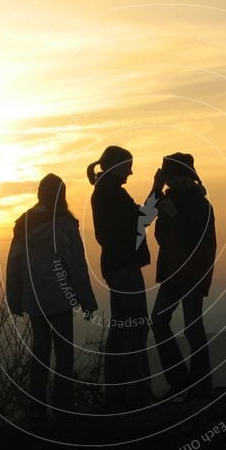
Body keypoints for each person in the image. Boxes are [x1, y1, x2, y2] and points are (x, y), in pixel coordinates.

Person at [6, 173, 97, 421]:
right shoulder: (65, 224)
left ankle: (35, 411)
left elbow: (13, 264)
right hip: (59, 299)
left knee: (40, 353)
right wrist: (87, 302)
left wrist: (14, 298)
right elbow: (76, 265)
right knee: (64, 355)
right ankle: (63, 411)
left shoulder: (23, 224)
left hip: (34, 301)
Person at [87, 146, 158, 410]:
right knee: (137, 326)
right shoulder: (111, 193)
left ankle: (116, 394)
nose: (131, 171)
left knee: (120, 329)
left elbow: (137, 221)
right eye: (127, 165)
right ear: (115, 165)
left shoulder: (106, 191)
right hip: (124, 265)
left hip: (114, 264)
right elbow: (140, 221)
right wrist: (155, 192)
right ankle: (137, 393)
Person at [150, 153, 216, 401]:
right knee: (159, 321)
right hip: (172, 272)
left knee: (191, 327)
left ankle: (200, 387)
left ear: (186, 176)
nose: (168, 182)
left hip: (192, 272)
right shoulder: (168, 199)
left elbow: (194, 238)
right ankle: (180, 380)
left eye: (171, 177)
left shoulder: (199, 204)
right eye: (166, 178)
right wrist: (155, 190)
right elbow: (146, 219)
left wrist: (173, 214)